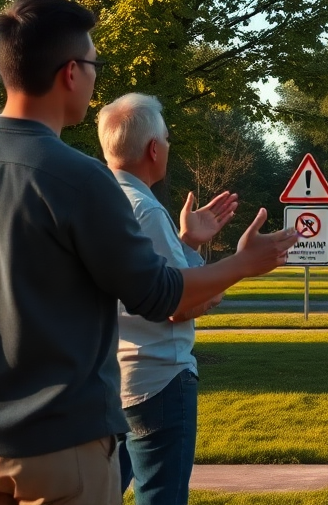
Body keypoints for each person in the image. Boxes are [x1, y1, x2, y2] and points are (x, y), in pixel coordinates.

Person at [0, 0, 297, 505]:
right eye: (93, 65)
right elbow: (160, 296)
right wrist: (244, 263)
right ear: (71, 72)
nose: (95, 78)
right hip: (60, 448)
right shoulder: (78, 178)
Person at [97, 93, 253, 505]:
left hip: (114, 380)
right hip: (160, 380)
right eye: (166, 138)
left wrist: (185, 242)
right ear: (153, 149)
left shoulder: (100, 202)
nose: (168, 145)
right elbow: (176, 303)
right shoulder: (146, 210)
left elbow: (147, 283)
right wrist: (232, 272)